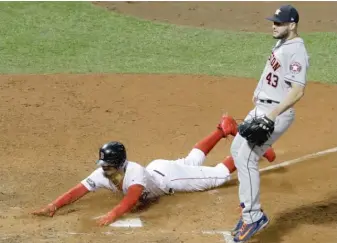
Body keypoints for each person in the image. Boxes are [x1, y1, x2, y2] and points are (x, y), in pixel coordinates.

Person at [32, 115, 276, 226]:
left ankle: (249, 143)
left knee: (219, 175)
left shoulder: (134, 173)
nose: (102, 169)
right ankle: (224, 129)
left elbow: (131, 200)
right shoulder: (104, 175)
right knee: (191, 161)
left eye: (106, 165)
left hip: (172, 179)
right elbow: (78, 190)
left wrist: (111, 216)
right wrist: (53, 206)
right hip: (160, 170)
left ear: (118, 165)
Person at [229, 5, 309, 242]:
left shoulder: (297, 51)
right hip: (261, 108)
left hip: (275, 111)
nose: (274, 25)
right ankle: (248, 205)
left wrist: (272, 115)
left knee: (247, 157)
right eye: (273, 22)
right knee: (236, 150)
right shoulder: (282, 43)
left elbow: (297, 91)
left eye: (279, 23)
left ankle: (253, 217)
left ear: (292, 25)